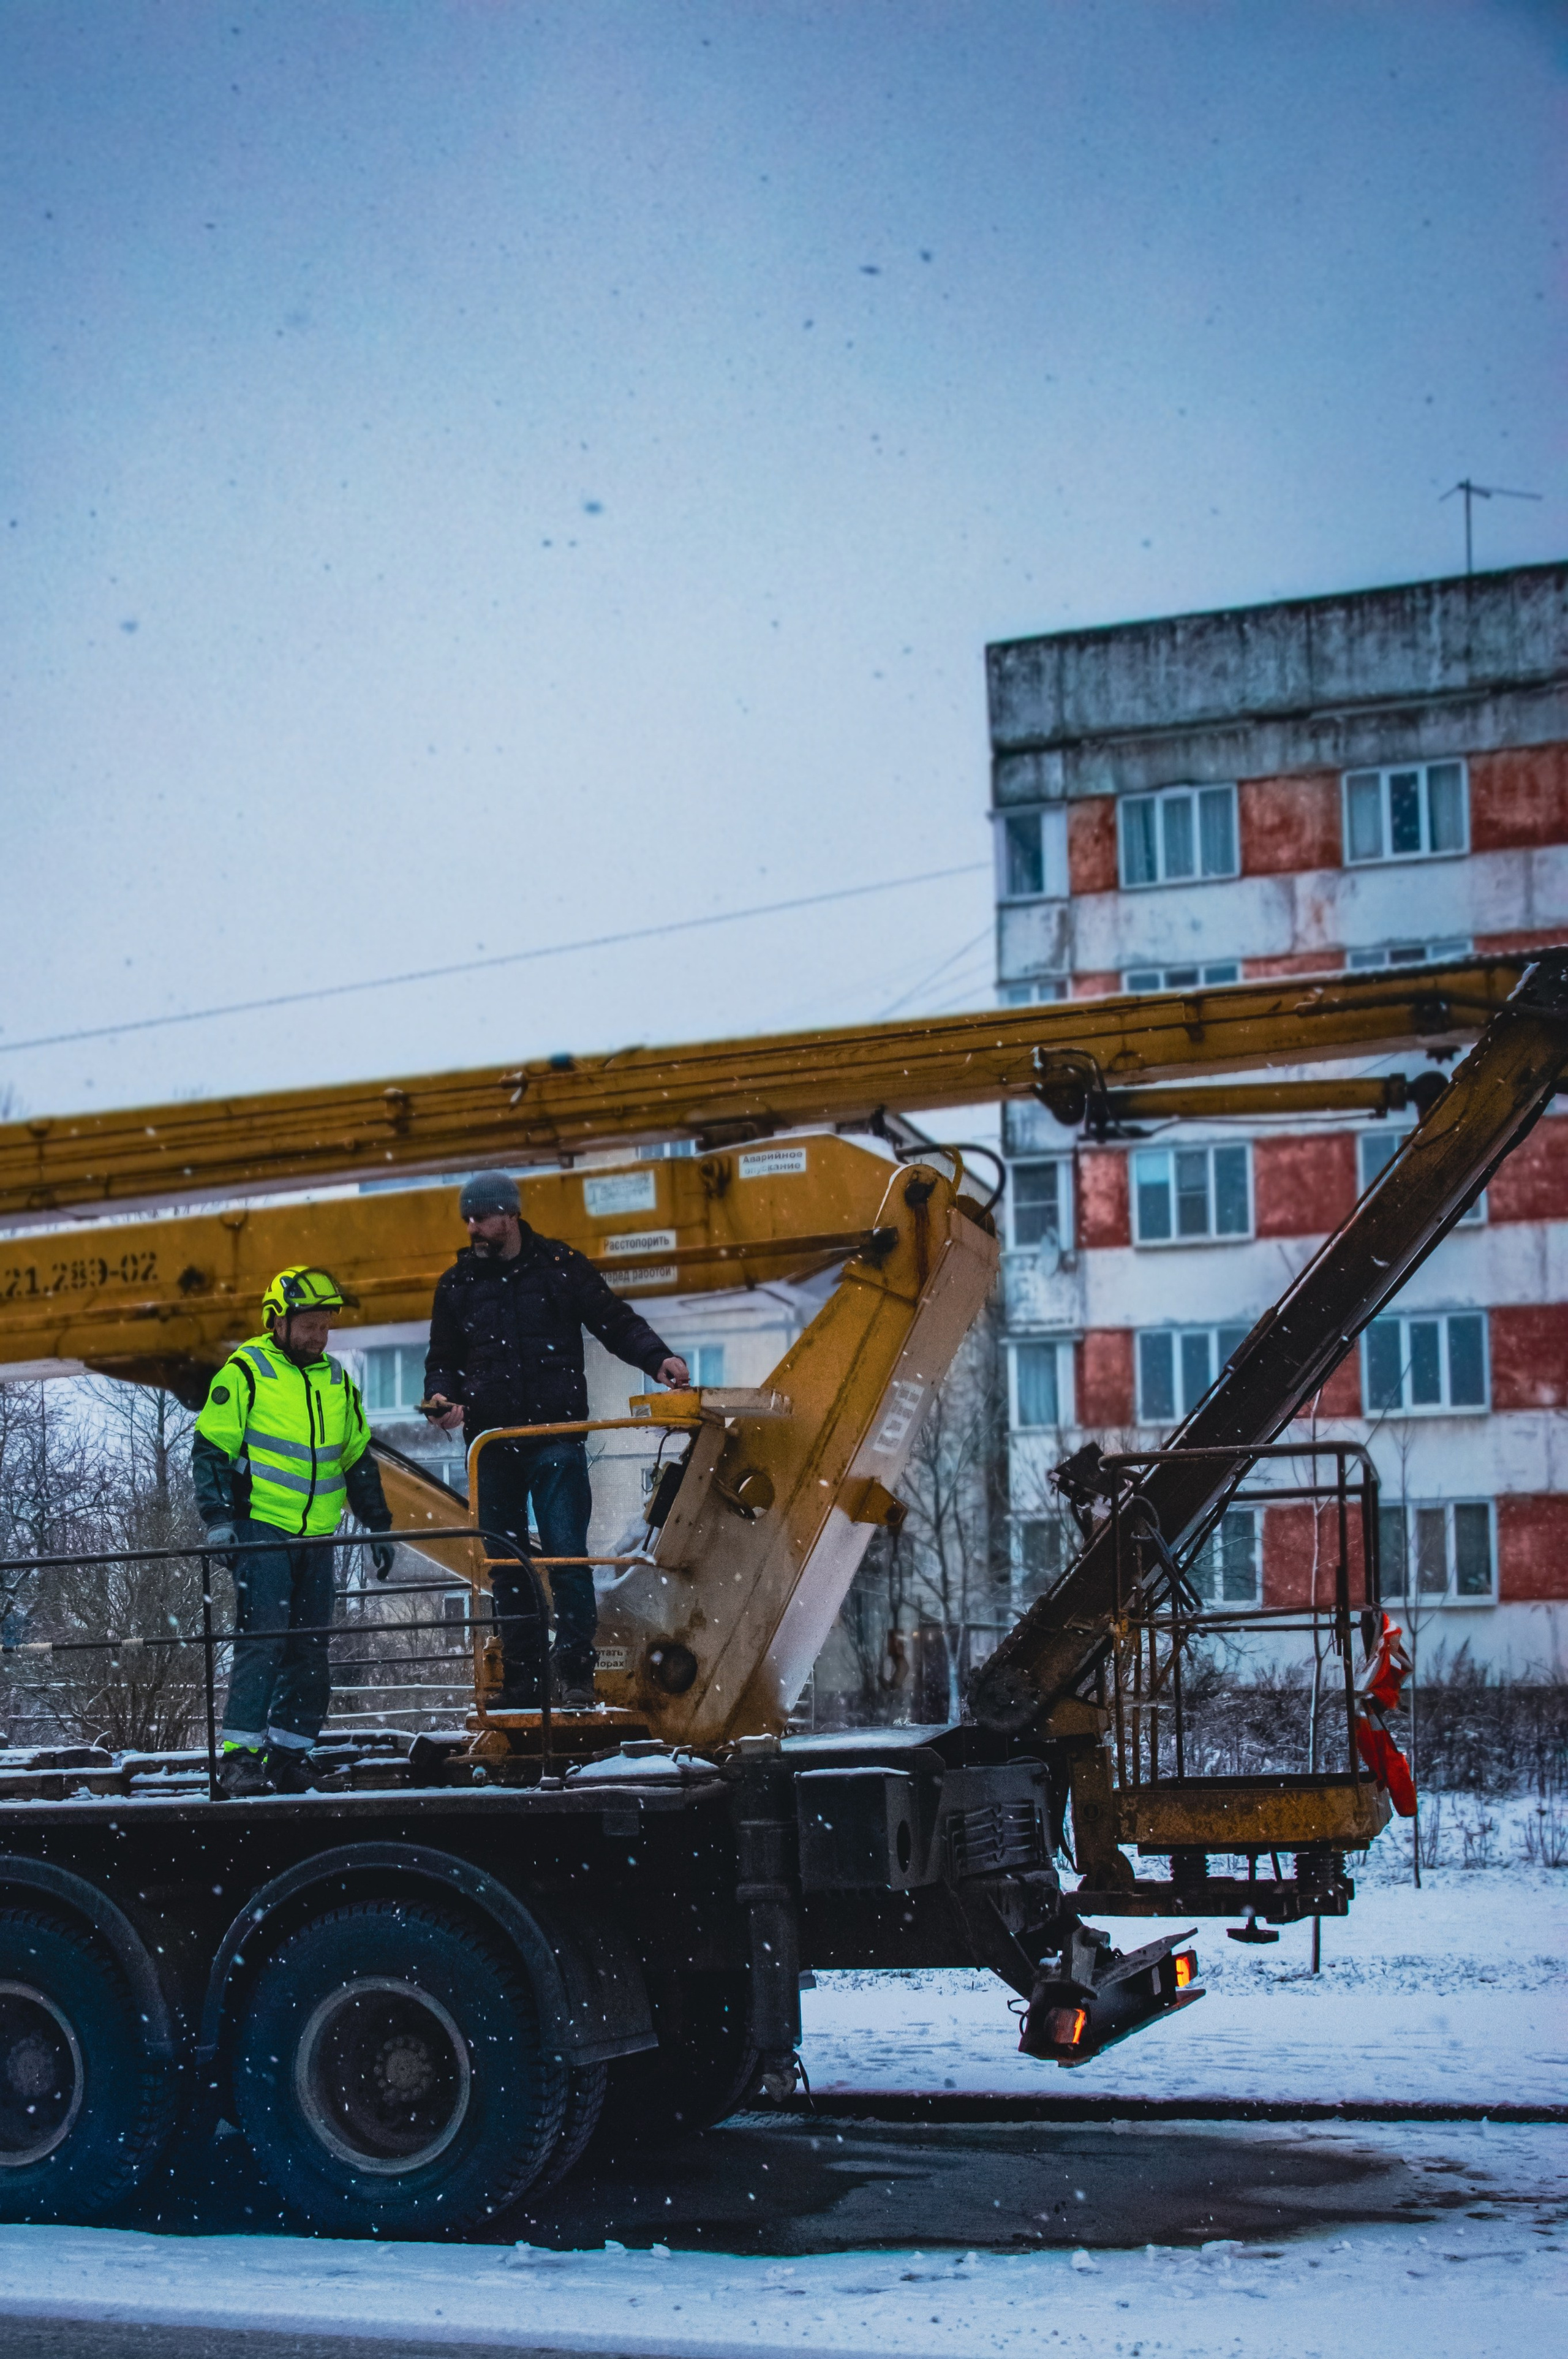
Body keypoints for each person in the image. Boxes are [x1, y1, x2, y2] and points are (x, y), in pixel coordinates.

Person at [422, 1171, 689, 1708]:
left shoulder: (560, 1269)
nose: (474, 1228)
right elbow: (442, 1361)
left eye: (482, 1217)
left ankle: (574, 1674)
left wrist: (657, 1357)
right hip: (492, 1443)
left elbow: (613, 1320)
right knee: (506, 1562)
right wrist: (441, 1399)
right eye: (468, 1219)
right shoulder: (457, 1285)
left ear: (511, 1214)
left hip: (555, 1437)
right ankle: (523, 1678)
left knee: (566, 1555)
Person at [192, 1266, 394, 1797]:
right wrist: (218, 1523)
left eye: (325, 1326)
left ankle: (288, 1755)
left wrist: (378, 1526)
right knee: (262, 1643)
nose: (319, 1336)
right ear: (276, 1321)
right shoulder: (246, 1370)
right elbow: (212, 1450)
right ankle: (239, 1759)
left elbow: (358, 1460)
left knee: (309, 1650)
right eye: (309, 1324)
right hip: (262, 1531)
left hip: (318, 1538)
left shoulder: (336, 1382)